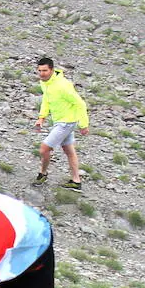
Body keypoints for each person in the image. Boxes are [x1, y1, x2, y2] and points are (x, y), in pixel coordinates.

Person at [33, 56, 89, 190]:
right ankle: (76, 181)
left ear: (52, 70)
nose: (42, 74)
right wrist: (42, 117)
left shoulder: (62, 85)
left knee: (44, 149)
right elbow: (46, 98)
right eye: (39, 71)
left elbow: (80, 103)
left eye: (45, 70)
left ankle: (43, 174)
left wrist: (84, 124)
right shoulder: (46, 83)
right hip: (60, 121)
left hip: (66, 122)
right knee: (69, 150)